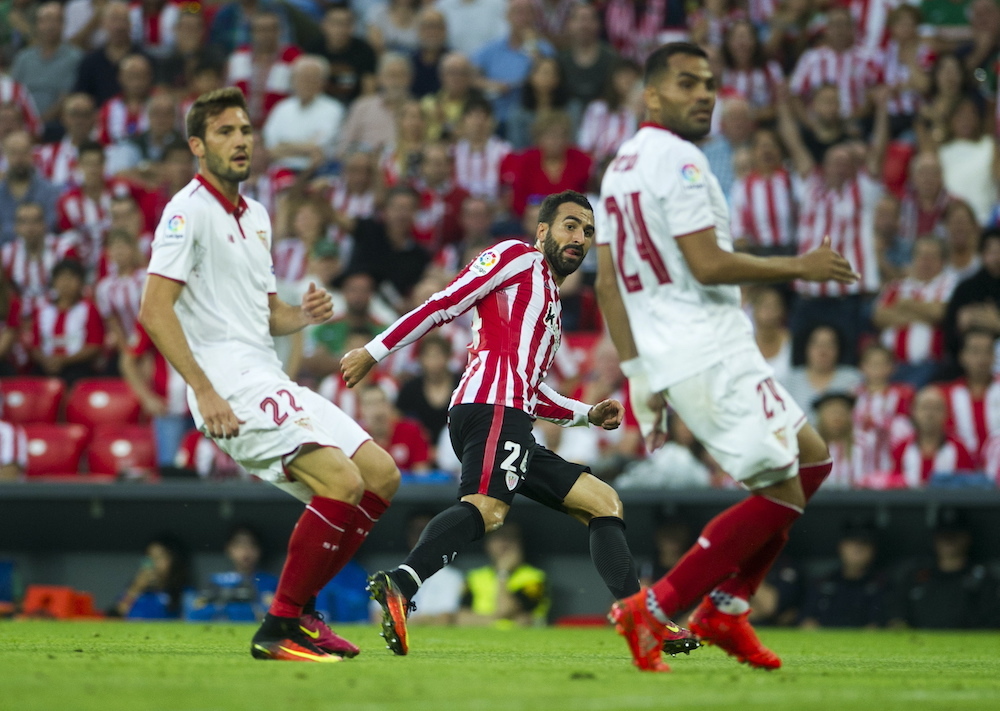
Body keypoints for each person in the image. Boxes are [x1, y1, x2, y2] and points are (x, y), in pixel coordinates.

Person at [594, 42, 858, 673]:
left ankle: (727, 606)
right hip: (706, 346)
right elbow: (707, 262)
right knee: (783, 492)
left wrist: (637, 376)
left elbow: (608, 284)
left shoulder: (619, 167)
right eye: (687, 83)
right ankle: (657, 607)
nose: (705, 94)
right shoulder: (681, 160)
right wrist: (801, 264)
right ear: (652, 94)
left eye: (710, 83)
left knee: (813, 460)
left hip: (681, 349)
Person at [139, 87, 401, 663]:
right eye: (226, 132)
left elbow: (265, 311)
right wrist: (203, 390)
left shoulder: (256, 215)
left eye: (245, 131)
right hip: (227, 384)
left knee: (380, 475)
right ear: (197, 146)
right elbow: (153, 311)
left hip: (266, 373)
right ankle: (281, 626)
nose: (240, 141)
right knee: (342, 482)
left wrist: (300, 314)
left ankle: (300, 616)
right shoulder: (186, 212)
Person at [341, 190, 655, 657]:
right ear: (543, 230)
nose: (580, 238)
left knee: (602, 501)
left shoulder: (549, 306)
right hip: (490, 407)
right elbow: (444, 303)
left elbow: (532, 390)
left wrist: (585, 414)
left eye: (588, 232)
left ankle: (639, 622)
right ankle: (402, 585)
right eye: (570, 225)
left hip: (511, 414)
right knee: (488, 509)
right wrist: (374, 350)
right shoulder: (515, 257)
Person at [456, 523, 549, 627]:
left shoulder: (535, 578)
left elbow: (505, 609)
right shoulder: (474, 577)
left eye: (510, 538)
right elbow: (461, 618)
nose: (504, 544)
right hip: (480, 637)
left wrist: (503, 572)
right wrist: (507, 623)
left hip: (520, 640)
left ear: (520, 544)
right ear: (488, 544)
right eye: (498, 537)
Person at [799, 522, 887, 628]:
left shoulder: (883, 585)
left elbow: (891, 624)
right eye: (852, 542)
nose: (858, 548)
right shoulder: (822, 583)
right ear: (841, 546)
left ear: (874, 549)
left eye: (864, 542)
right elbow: (806, 621)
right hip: (825, 642)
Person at [185, 525, 278, 622]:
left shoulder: (271, 582)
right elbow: (196, 611)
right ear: (228, 548)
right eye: (239, 545)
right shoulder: (217, 581)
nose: (245, 551)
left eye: (252, 545)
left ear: (259, 549)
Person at [112, 535, 193, 619]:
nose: (153, 564)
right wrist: (135, 589)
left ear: (175, 561)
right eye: (149, 557)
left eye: (159, 557)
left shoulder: (186, 595)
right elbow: (113, 618)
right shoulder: (135, 592)